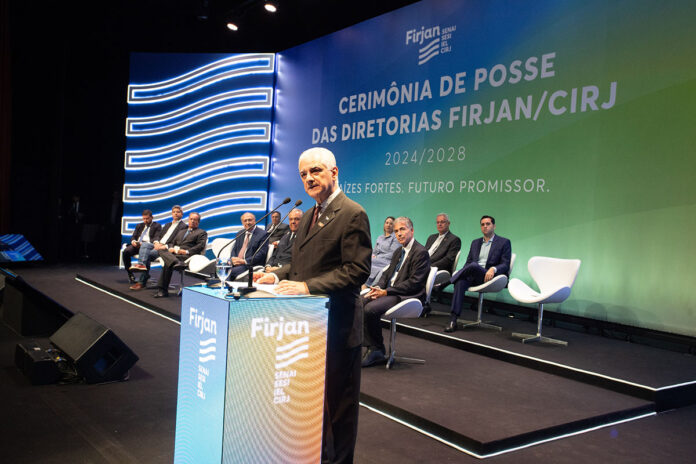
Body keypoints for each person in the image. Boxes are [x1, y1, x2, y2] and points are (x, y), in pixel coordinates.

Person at [256, 147, 371, 464]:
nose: (308, 178)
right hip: (308, 324)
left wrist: (306, 286)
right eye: (303, 174)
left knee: (338, 410)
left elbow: (356, 271)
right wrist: (275, 275)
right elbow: (301, 265)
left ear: (334, 172)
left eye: (315, 171)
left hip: (338, 326)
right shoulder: (308, 215)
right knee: (313, 405)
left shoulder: (353, 213)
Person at [361, 217, 430, 367]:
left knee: (370, 309)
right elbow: (386, 274)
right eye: (396, 231)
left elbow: (414, 283)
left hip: (406, 295)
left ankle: (376, 349)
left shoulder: (421, 252)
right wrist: (378, 288)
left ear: (412, 230)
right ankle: (371, 346)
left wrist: (386, 292)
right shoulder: (399, 251)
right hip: (391, 291)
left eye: (402, 229)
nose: (399, 233)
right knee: (360, 302)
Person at [444, 215, 511, 332]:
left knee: (474, 265)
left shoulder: (504, 242)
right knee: (460, 282)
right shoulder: (475, 242)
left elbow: (505, 264)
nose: (485, 226)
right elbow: (468, 263)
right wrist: (462, 274)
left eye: (488, 224)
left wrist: (493, 269)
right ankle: (453, 320)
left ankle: (447, 282)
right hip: (474, 276)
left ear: (494, 226)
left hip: (490, 277)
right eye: (482, 224)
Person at [129, 205, 186, 290]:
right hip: (158, 245)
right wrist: (156, 243)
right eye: (174, 212)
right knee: (145, 244)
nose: (175, 214)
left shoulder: (183, 226)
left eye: (178, 212)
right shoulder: (167, 224)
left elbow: (178, 241)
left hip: (166, 248)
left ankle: (141, 281)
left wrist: (164, 246)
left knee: (147, 254)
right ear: (171, 214)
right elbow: (159, 236)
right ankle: (141, 266)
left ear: (182, 214)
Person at [153, 212, 207, 298]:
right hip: (175, 254)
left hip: (187, 256)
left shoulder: (202, 232)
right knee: (161, 250)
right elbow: (172, 243)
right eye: (191, 219)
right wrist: (171, 248)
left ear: (198, 222)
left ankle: (162, 290)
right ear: (188, 220)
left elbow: (200, 246)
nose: (192, 221)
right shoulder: (181, 231)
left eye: (195, 220)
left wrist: (186, 251)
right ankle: (175, 262)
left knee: (168, 262)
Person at [122, 209, 161, 284]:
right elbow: (133, 236)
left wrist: (145, 243)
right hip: (137, 245)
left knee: (146, 250)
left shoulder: (157, 226)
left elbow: (157, 237)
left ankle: (145, 275)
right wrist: (134, 241)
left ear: (152, 217)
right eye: (144, 219)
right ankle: (130, 273)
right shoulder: (139, 225)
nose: (145, 220)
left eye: (147, 218)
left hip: (149, 245)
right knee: (126, 252)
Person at [228, 212, 269, 280]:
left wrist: (244, 261)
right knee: (218, 267)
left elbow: (261, 254)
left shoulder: (263, 234)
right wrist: (233, 259)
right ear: (242, 222)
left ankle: (226, 286)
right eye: (245, 221)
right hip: (237, 264)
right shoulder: (240, 233)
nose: (247, 222)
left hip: (250, 265)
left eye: (250, 220)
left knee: (230, 272)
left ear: (254, 221)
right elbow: (234, 249)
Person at [364, 216, 400, 287]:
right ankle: (363, 285)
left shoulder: (395, 238)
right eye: (387, 223)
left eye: (391, 224)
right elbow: (374, 251)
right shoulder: (380, 237)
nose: (388, 225)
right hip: (377, 260)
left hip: (387, 261)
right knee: (365, 261)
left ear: (394, 226)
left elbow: (393, 254)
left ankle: (365, 286)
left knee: (368, 262)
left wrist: (377, 257)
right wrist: (373, 255)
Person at [264, 208, 303, 272]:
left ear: (303, 220)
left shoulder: (305, 238)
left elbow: (300, 262)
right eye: (291, 219)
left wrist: (280, 269)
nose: (293, 222)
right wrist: (268, 265)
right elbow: (274, 255)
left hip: (287, 272)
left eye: (297, 219)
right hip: (272, 269)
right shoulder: (285, 237)